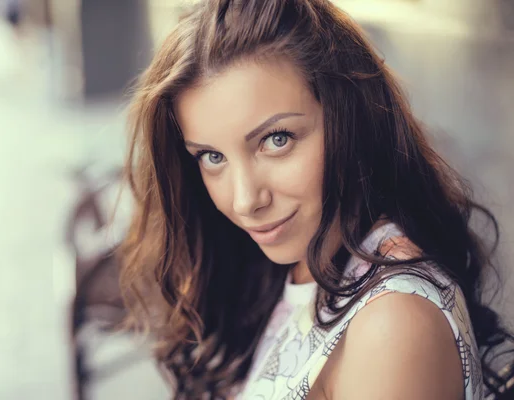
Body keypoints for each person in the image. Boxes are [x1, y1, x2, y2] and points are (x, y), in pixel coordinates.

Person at [107, 0, 514, 398]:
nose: (246, 200)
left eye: (276, 140)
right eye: (213, 157)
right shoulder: (285, 263)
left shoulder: (392, 322)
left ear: (349, 116)